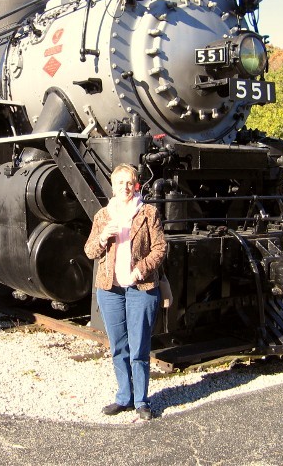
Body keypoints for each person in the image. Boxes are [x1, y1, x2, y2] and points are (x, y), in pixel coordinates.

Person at [84, 163, 166, 420]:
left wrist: (141, 270)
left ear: (136, 185)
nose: (125, 188)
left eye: (129, 183)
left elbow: (160, 248)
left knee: (140, 346)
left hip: (140, 287)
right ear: (113, 185)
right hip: (111, 289)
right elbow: (89, 251)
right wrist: (100, 239)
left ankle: (141, 400)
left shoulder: (148, 213)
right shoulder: (102, 216)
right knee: (118, 346)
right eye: (120, 183)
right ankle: (123, 397)